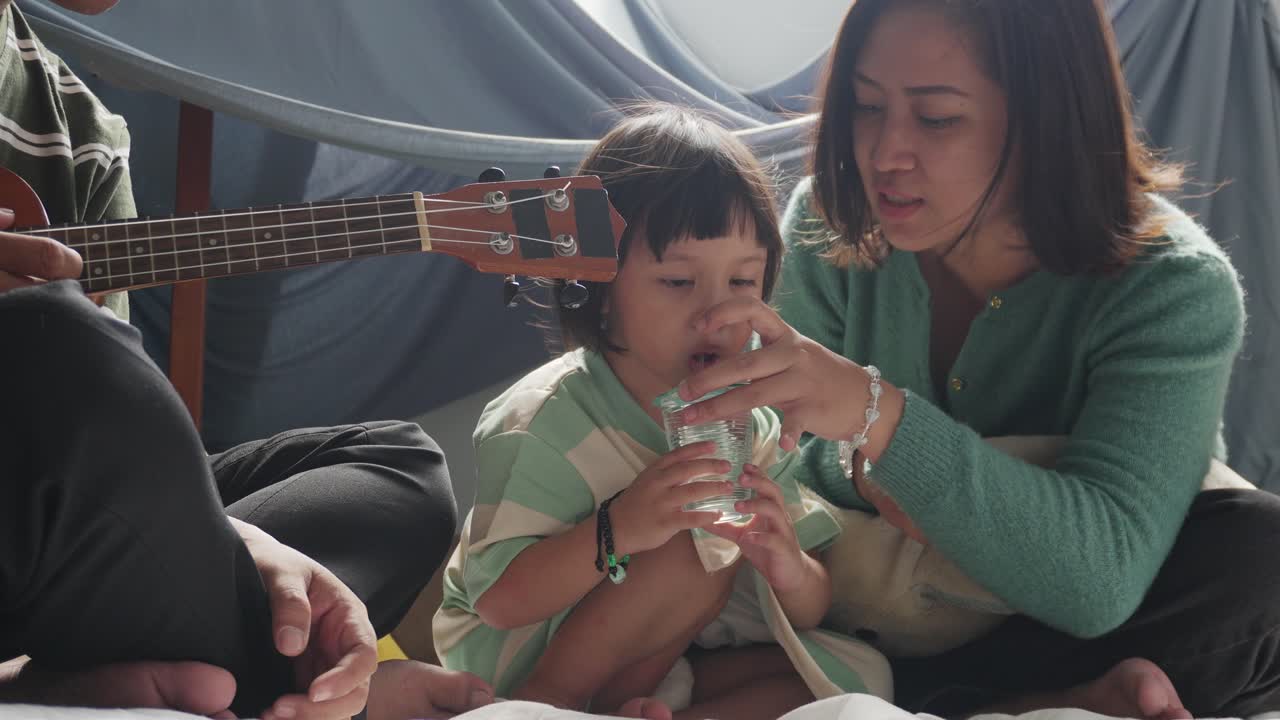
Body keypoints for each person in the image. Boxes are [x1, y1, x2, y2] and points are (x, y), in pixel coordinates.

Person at [676, 0, 1280, 717]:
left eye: (936, 118)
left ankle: (983, 694)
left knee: (1258, 555)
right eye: (867, 106)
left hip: (1053, 620)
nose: (884, 153)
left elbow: (1098, 581)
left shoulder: (1176, 288)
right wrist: (867, 465)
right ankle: (1039, 701)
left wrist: (879, 419)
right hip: (853, 599)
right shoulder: (827, 223)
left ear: (1045, 121)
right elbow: (773, 458)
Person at [0, 1, 491, 718]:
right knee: (56, 335)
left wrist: (246, 540)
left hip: (44, 513)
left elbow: (106, 428)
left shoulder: (83, 133)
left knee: (402, 470)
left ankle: (77, 677)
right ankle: (289, 682)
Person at [433, 106, 878, 720]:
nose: (716, 315)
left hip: (658, 653)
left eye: (742, 283)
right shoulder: (543, 421)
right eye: (677, 282)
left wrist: (787, 565)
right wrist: (620, 528)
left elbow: (812, 604)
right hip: (520, 658)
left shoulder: (750, 422)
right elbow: (499, 605)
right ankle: (552, 706)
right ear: (600, 290)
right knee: (692, 544)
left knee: (852, 680)